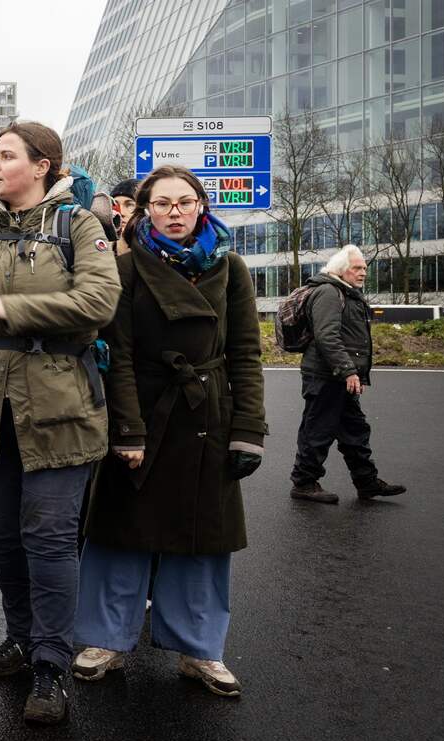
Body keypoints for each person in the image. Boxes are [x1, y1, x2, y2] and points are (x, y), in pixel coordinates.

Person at [72, 164, 266, 697]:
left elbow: (247, 354)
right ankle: (105, 639)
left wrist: (248, 428)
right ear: (146, 210)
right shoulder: (128, 270)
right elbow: (121, 357)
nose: (174, 212)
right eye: (162, 204)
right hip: (145, 411)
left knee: (204, 536)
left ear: (201, 205)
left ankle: (200, 650)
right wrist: (127, 431)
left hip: (209, 415)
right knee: (123, 531)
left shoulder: (232, 269)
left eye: (184, 202)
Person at [0, 121, 120, 725]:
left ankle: (51, 664)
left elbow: (99, 304)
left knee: (48, 540)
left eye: (5, 156)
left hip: (60, 407)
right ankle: (20, 636)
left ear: (43, 164)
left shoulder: (78, 225)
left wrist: (9, 308)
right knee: (0, 535)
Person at [290, 245, 406, 504]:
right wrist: (348, 371)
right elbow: (326, 336)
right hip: (325, 375)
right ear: (341, 270)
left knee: (355, 429)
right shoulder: (329, 292)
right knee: (317, 430)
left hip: (340, 375)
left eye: (365, 267)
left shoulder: (348, 293)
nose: (363, 272)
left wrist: (352, 374)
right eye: (357, 267)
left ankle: (366, 482)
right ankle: (304, 483)